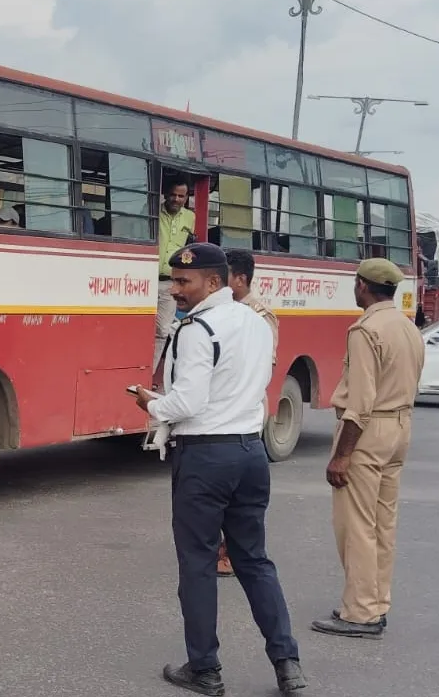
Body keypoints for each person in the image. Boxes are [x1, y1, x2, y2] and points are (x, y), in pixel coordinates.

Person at [133, 243, 306, 697]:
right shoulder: (257, 322)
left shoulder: (197, 328)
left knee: (197, 564)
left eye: (184, 282)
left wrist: (151, 403)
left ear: (214, 282)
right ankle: (288, 665)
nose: (175, 290)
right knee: (255, 561)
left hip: (206, 458)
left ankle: (204, 670)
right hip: (251, 454)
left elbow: (187, 402)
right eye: (173, 281)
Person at [310, 258, 424, 641]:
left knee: (355, 526)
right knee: (383, 524)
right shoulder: (407, 327)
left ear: (362, 285)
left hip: (369, 431)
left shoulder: (366, 330)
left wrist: (342, 454)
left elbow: (359, 403)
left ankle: (360, 612)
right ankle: (376, 603)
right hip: (400, 426)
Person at [215, 248, 280, 578]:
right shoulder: (221, 311)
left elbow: (260, 370)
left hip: (246, 410)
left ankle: (234, 551)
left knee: (238, 492)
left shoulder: (259, 316)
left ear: (240, 279)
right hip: (223, 409)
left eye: (224, 276)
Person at [155, 182, 197, 371]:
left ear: (186, 198)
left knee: (162, 330)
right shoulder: (153, 211)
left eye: (181, 196)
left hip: (168, 283)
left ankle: (150, 372)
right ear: (165, 194)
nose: (176, 199)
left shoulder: (190, 217)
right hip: (145, 279)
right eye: (173, 195)